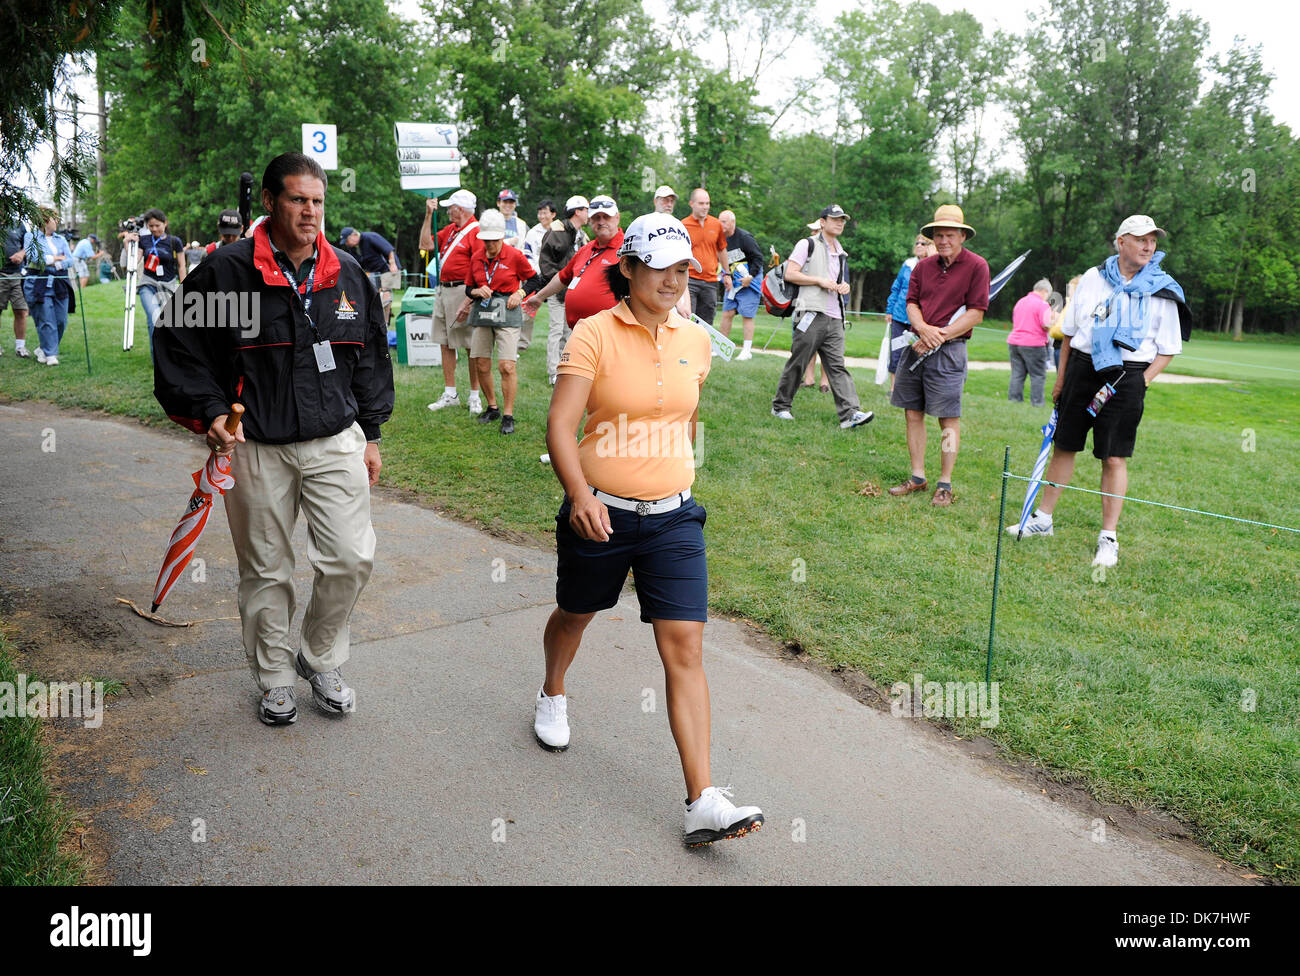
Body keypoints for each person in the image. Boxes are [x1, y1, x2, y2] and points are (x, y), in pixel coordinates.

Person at [538, 210, 764, 846]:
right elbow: (561, 425)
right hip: (599, 510)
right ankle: (553, 691)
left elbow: (684, 417)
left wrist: (676, 474)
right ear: (628, 268)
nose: (673, 278)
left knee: (685, 648)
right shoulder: (592, 335)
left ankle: (702, 799)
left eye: (682, 268)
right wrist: (579, 492)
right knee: (575, 614)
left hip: (673, 517)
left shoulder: (695, 340)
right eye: (659, 267)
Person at [153, 151, 394, 726]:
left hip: (336, 439)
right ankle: (274, 676)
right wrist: (210, 409)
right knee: (265, 569)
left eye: (317, 201)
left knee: (350, 558)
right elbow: (180, 347)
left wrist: (372, 434)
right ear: (269, 202)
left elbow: (370, 358)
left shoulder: (347, 273)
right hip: (256, 444)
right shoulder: (228, 273)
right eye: (297, 200)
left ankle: (317, 656)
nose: (310, 213)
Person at [1009, 215, 1188, 568]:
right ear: (1120, 242)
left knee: (1114, 456)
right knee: (1064, 445)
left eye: (1152, 240)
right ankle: (1043, 519)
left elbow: (1167, 348)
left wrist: (1143, 381)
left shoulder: (1162, 288)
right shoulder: (1093, 278)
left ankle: (1108, 537)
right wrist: (1061, 380)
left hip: (1128, 376)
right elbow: (1071, 334)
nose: (1148, 246)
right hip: (1082, 367)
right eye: (1140, 239)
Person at [887, 205, 990, 507]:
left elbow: (976, 313)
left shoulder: (977, 266)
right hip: (916, 344)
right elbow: (911, 302)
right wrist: (921, 327)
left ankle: (944, 482)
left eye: (949, 235)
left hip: (949, 351)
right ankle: (917, 476)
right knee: (912, 412)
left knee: (948, 419)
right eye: (938, 235)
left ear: (962, 236)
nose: (944, 240)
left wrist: (940, 335)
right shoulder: (923, 267)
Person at [770, 205, 873, 430]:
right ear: (822, 222)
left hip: (835, 317)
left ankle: (850, 415)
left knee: (837, 366)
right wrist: (818, 280)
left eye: (843, 220)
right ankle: (780, 406)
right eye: (835, 218)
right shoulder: (806, 244)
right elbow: (790, 273)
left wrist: (844, 286)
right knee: (799, 361)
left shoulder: (841, 252)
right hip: (809, 312)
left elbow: (834, 280)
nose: (840, 223)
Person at [464, 209, 544, 434]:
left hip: (508, 311)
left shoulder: (514, 255)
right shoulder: (476, 257)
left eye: (493, 241)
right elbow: (469, 288)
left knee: (506, 366)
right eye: (486, 241)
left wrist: (520, 293)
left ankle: (508, 415)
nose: (489, 245)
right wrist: (478, 291)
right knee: (481, 362)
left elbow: (534, 279)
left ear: (501, 238)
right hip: (483, 311)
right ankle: (492, 407)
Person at [420, 190, 483, 414]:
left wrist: (469, 301)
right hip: (443, 290)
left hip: (462, 291)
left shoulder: (476, 232)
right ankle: (450, 393)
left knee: (470, 344)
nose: (448, 211)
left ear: (461, 209)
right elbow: (425, 244)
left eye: (451, 207)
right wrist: (428, 215)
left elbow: (479, 269)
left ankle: (475, 395)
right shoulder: (451, 230)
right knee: (445, 342)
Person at [536, 195, 590, 383]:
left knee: (571, 331)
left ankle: (566, 367)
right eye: (586, 209)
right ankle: (553, 371)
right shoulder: (557, 230)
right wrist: (556, 284)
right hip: (557, 289)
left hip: (574, 291)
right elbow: (545, 261)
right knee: (557, 330)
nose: (589, 213)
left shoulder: (582, 235)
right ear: (577, 211)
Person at [123, 208, 187, 351]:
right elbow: (134, 260)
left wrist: (184, 286)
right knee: (155, 317)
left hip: (168, 286)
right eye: (150, 226)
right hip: (148, 285)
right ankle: (157, 355)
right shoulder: (144, 240)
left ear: (165, 223)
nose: (154, 229)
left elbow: (182, 266)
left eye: (157, 225)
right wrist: (127, 244)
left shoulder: (174, 241)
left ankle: (168, 352)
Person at [21, 209, 75, 366]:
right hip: (39, 282)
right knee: (46, 318)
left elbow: (69, 260)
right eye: (54, 219)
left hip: (59, 282)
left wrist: (54, 262)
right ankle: (51, 355)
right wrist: (56, 258)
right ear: (45, 221)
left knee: (61, 320)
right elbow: (34, 257)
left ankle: (43, 348)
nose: (57, 222)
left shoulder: (61, 239)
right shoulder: (30, 236)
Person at [885, 234, 936, 387]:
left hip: (921, 319)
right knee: (896, 351)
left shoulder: (935, 267)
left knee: (916, 352)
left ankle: (911, 387)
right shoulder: (907, 264)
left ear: (931, 246)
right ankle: (894, 388)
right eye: (917, 243)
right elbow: (897, 288)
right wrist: (890, 310)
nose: (919, 245)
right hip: (900, 315)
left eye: (924, 243)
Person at [716, 209, 764, 360]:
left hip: (750, 280)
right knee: (727, 313)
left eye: (723, 221)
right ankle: (720, 348)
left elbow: (758, 258)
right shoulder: (720, 239)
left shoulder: (744, 237)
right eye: (719, 221)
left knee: (746, 314)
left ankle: (746, 351)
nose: (720, 224)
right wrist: (725, 275)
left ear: (732, 223)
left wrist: (751, 277)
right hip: (733, 280)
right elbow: (720, 261)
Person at [680, 188, 727, 325]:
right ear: (691, 204)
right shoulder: (683, 225)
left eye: (707, 203)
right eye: (701, 203)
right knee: (688, 319)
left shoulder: (716, 224)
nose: (705, 207)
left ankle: (705, 347)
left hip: (710, 280)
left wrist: (727, 273)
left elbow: (722, 250)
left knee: (707, 323)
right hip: (690, 279)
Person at [339, 225, 400, 324]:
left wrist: (393, 264)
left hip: (387, 268)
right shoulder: (353, 249)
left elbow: (388, 249)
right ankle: (377, 320)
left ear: (354, 235)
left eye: (347, 240)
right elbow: (357, 264)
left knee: (386, 294)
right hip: (373, 273)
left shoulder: (369, 237)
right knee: (373, 296)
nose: (347, 244)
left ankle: (385, 322)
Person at [1007, 279, 1054, 406]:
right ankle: (1037, 403)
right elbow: (1046, 325)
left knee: (1017, 373)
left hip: (1014, 342)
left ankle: (1014, 401)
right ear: (1044, 291)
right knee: (1038, 375)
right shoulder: (1042, 305)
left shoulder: (1020, 301)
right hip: (1033, 343)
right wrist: (1055, 322)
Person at [1, 221, 31, 357]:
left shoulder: (18, 224)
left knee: (21, 311)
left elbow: (27, 245)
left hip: (17, 275)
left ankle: (20, 347)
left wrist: (21, 254)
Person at [522, 198, 556, 275]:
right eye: (540, 213)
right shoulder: (532, 233)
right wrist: (534, 270)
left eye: (545, 213)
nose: (542, 216)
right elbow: (527, 254)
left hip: (556, 275)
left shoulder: (560, 230)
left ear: (553, 214)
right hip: (537, 274)